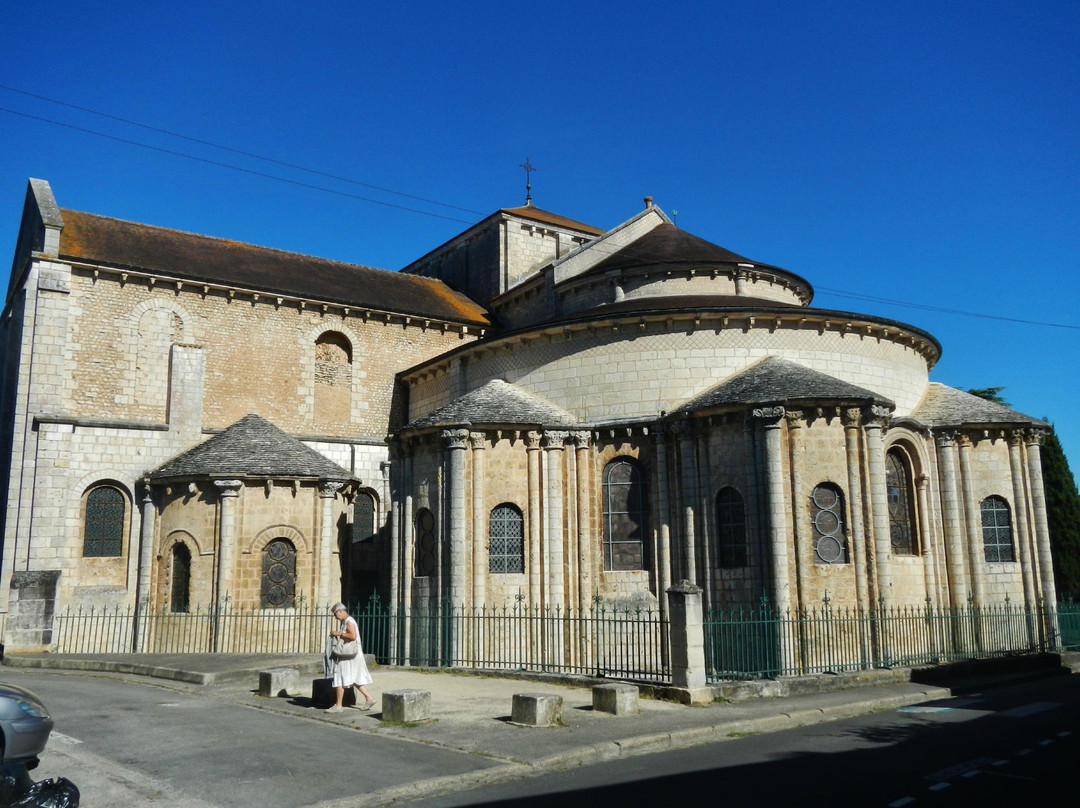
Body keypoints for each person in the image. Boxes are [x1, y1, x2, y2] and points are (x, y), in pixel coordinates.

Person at [326, 602, 376, 713]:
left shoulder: (349, 621)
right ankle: (369, 698)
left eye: (335, 614)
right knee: (352, 677)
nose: (335, 617)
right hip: (352, 654)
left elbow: (353, 636)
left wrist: (339, 634)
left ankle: (338, 706)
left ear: (340, 611)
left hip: (349, 654)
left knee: (339, 676)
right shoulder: (347, 621)